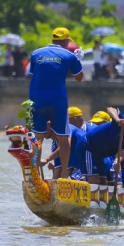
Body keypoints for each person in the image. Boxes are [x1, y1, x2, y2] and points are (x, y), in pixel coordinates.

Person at [28, 27, 84, 172]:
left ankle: (35, 174)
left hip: (36, 100)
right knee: (63, 138)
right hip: (57, 101)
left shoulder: (36, 53)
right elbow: (79, 78)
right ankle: (64, 176)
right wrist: (78, 60)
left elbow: (34, 73)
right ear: (66, 41)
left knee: (37, 138)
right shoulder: (69, 56)